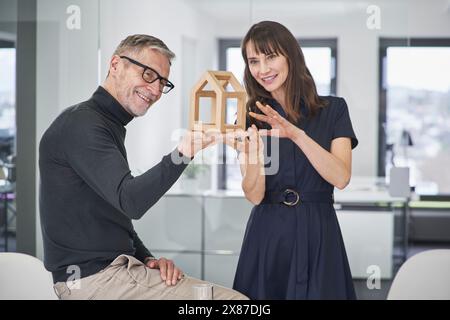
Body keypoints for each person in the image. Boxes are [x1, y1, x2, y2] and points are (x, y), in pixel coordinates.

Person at [39, 34, 247, 300]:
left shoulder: (104, 124)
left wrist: (147, 259)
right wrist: (184, 152)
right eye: (148, 74)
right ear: (115, 65)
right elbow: (131, 202)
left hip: (112, 273)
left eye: (163, 82)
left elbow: (116, 217)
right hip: (92, 280)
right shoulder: (82, 125)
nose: (156, 90)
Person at [227, 21, 358, 299]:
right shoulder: (249, 118)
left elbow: (341, 177)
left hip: (319, 231)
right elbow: (254, 195)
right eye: (254, 61)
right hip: (268, 233)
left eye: (271, 56)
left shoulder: (334, 109)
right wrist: (253, 157)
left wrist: (296, 135)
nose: (262, 69)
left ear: (291, 56)